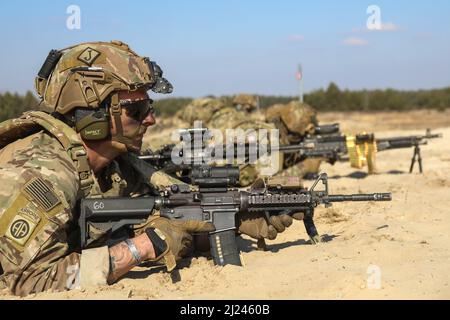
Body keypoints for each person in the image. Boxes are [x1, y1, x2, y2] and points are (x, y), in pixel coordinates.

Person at [0, 41, 295, 296]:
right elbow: (31, 282)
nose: (150, 120)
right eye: (137, 111)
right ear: (94, 115)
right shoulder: (40, 173)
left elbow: (165, 224)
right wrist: (145, 246)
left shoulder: (115, 167)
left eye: (149, 108)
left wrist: (229, 221)